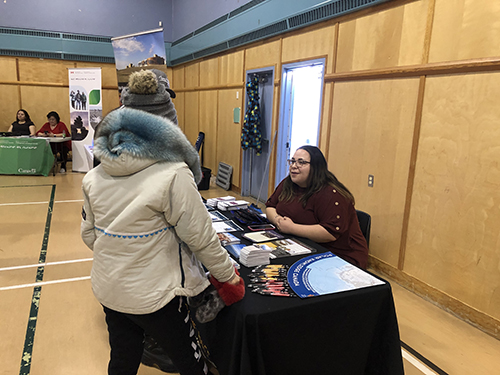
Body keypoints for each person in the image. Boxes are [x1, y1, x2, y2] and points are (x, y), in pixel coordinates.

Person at [80, 107, 244, 375]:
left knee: (122, 359)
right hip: (159, 297)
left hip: (110, 289)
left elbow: (89, 235)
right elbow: (201, 238)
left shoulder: (92, 178)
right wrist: (229, 276)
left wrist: (121, 252)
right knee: (191, 363)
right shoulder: (174, 174)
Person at [266, 145, 369, 269]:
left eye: (301, 162)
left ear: (316, 167)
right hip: (298, 245)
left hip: (338, 256)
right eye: (292, 161)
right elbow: (270, 207)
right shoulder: (289, 183)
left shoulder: (330, 193)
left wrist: (291, 228)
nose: (294, 166)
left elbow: (329, 233)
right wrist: (277, 220)